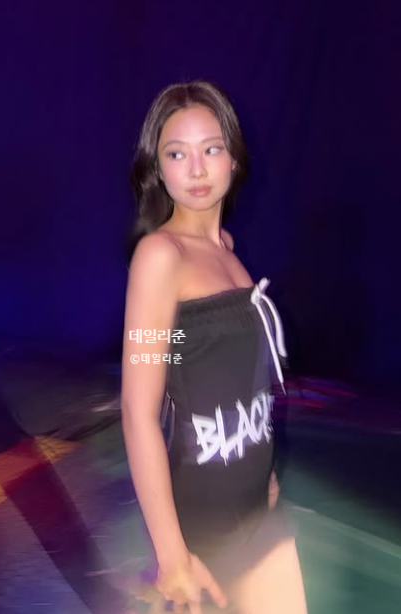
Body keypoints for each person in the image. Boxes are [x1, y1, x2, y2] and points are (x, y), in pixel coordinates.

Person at [121, 80, 307, 614]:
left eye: (211, 149)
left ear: (234, 158)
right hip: (201, 523)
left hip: (259, 506)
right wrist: (172, 554)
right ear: (158, 168)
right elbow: (138, 411)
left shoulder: (227, 249)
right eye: (177, 154)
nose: (197, 170)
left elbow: (232, 373)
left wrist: (264, 470)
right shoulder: (160, 256)